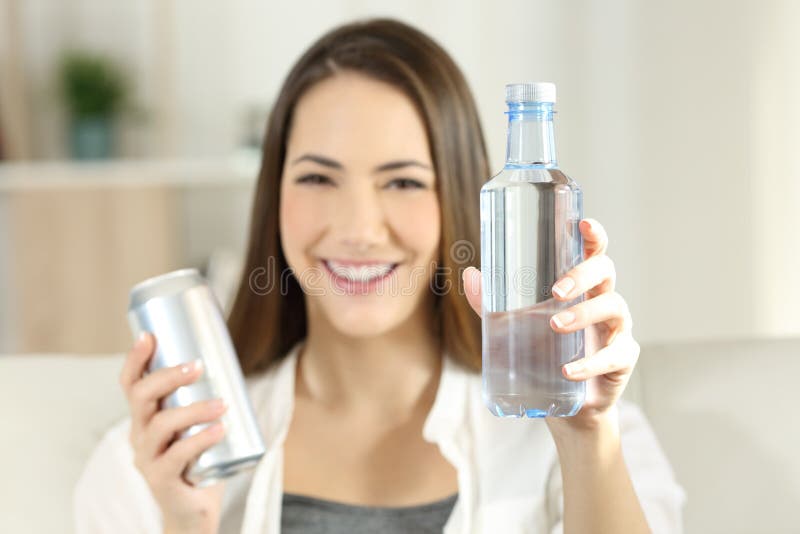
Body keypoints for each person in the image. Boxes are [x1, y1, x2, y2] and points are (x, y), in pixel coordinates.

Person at [74, 18, 684, 534]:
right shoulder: (156, 463)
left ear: (460, 200)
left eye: (403, 181)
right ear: (273, 196)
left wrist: (584, 440)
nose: (359, 227)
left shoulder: (587, 429)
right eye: (318, 177)